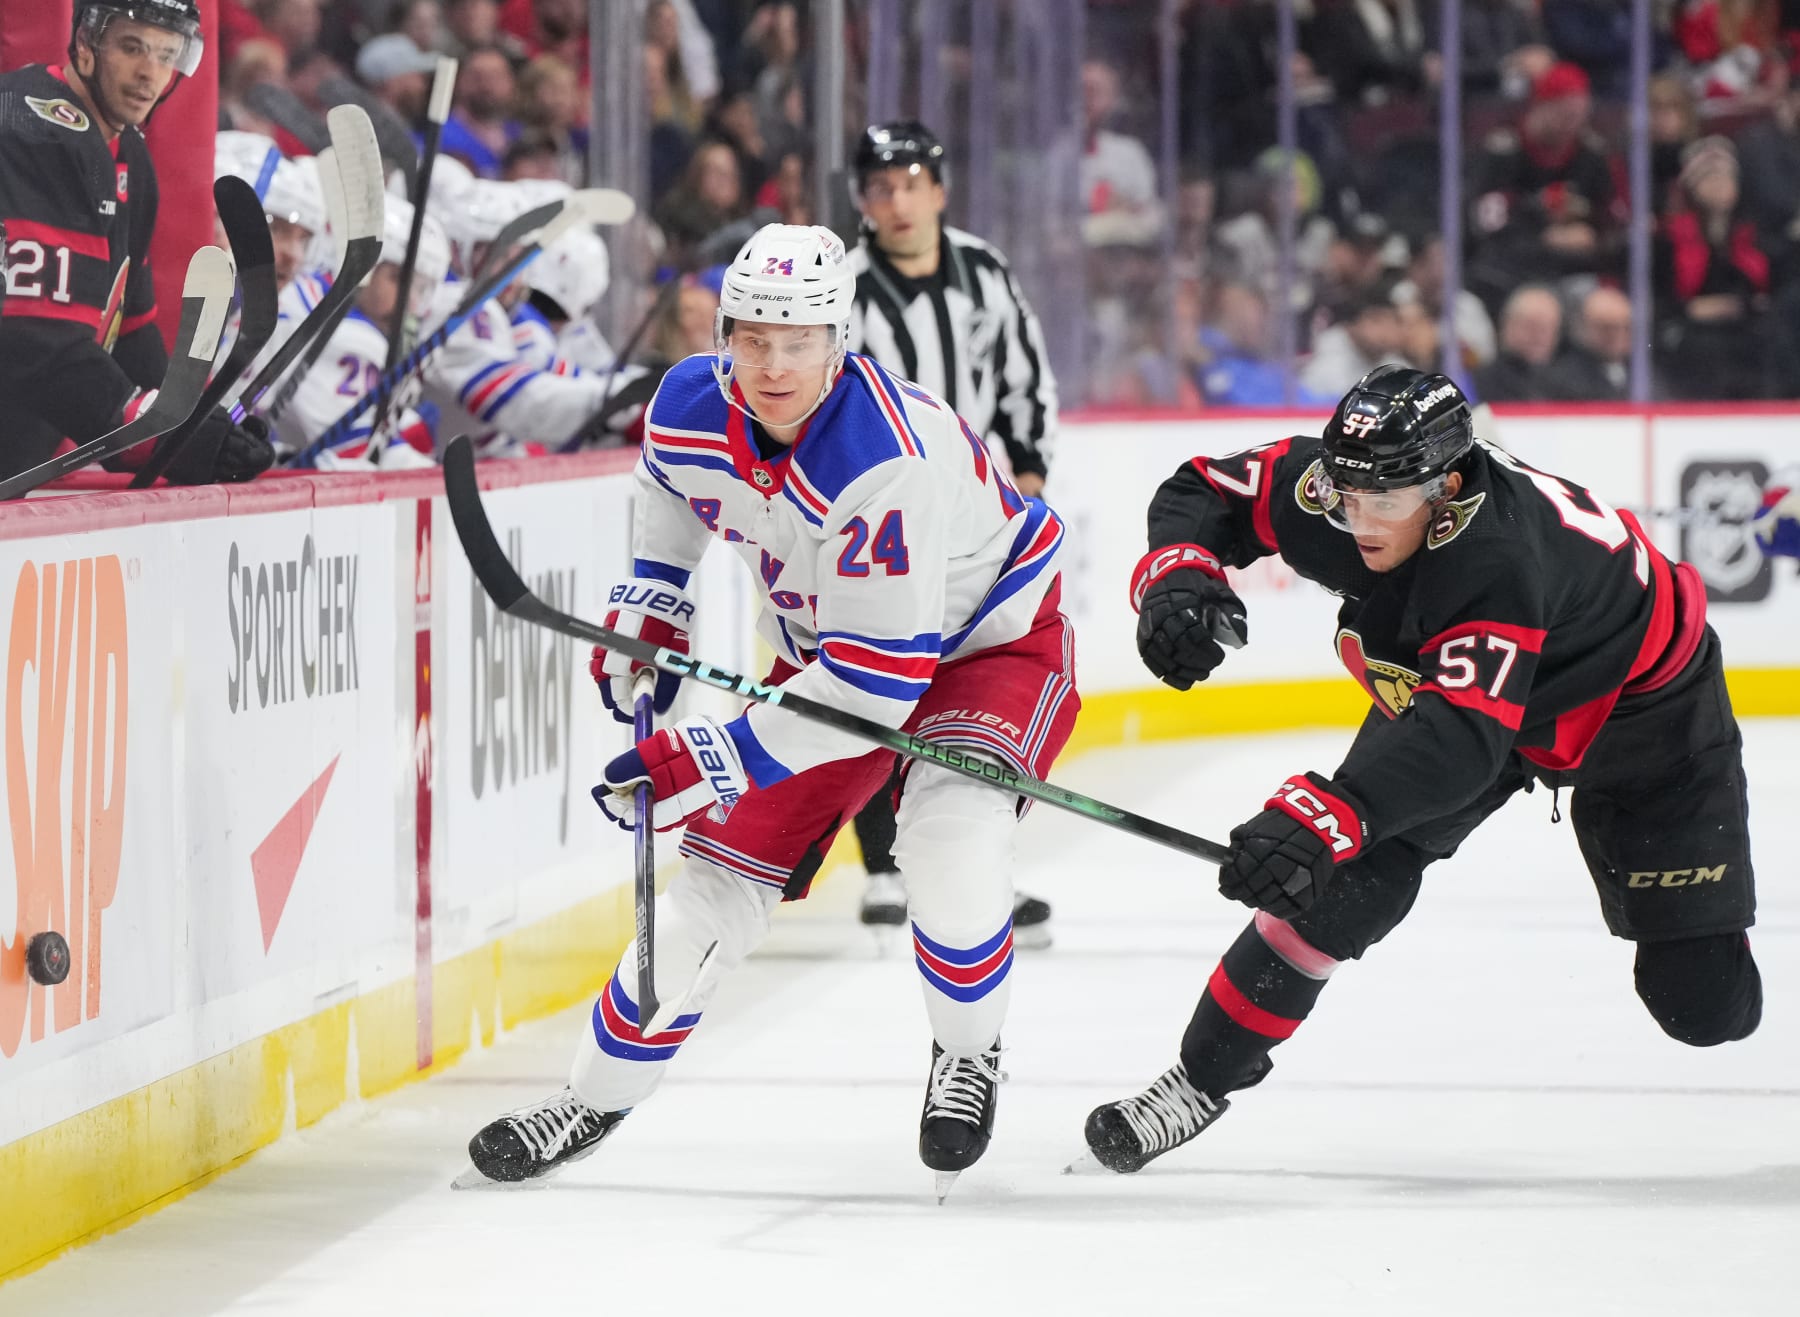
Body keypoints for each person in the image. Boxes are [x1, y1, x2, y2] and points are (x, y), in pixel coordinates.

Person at [464, 223, 1078, 1189]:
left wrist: (713, 749)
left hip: (986, 650)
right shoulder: (689, 402)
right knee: (714, 880)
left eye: (799, 341)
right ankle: (589, 1096)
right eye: (753, 337)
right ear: (724, 334)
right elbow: (669, 487)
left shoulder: (886, 458)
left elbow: (881, 687)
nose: (774, 363)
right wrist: (654, 598)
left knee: (950, 842)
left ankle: (966, 1050)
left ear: (839, 340)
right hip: (836, 663)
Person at [1083, 365, 1760, 1174]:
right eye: (1345, 495)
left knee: (1702, 1003)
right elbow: (1207, 490)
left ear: (1445, 488)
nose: (1360, 521)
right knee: (1341, 881)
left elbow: (1463, 740)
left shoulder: (1493, 559)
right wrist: (1180, 576)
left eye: (1388, 503)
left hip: (1642, 709)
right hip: (1474, 692)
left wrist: (1330, 810)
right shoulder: (1349, 487)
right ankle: (1197, 1082)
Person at [846, 120, 1061, 937]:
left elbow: (1024, 378)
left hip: (977, 520)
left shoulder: (984, 272)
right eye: (878, 187)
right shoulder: (848, 286)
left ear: (937, 189)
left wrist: (1029, 476)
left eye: (909, 183)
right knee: (877, 678)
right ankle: (879, 866)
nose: (896, 201)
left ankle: (979, 868)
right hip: (875, 525)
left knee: (976, 687)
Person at [0, 0, 272, 486]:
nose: (150, 73)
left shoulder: (129, 154)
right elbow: (39, 346)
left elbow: (130, 331)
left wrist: (193, 420)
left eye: (167, 55)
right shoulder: (32, 126)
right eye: (132, 48)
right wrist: (158, 433)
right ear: (86, 42)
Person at [270, 197, 447, 469]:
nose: (410, 301)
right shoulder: (346, 333)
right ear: (360, 264)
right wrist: (437, 483)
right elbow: (357, 449)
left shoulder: (315, 301)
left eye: (421, 288)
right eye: (399, 279)